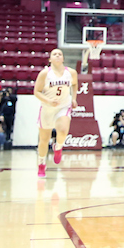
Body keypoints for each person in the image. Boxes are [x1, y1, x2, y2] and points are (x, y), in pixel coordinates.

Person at [33, 48, 77, 178]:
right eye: (54, 54)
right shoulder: (44, 73)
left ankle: (58, 147)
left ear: (63, 58)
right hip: (47, 108)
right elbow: (36, 92)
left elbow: (74, 85)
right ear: (50, 59)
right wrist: (49, 100)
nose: (57, 56)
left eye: (60, 54)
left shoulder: (71, 73)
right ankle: (41, 164)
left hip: (63, 105)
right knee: (44, 140)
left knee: (63, 130)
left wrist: (73, 98)